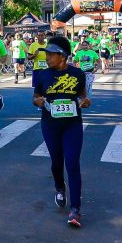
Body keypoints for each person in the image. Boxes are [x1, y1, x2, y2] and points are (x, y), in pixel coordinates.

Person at [32, 36, 91, 228]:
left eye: (51, 54)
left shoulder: (78, 74)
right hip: (50, 124)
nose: (47, 57)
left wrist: (85, 101)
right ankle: (59, 186)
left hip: (72, 124)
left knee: (72, 162)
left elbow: (83, 95)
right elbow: (36, 96)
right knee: (57, 162)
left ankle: (75, 208)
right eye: (46, 54)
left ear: (63, 56)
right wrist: (38, 101)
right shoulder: (42, 74)